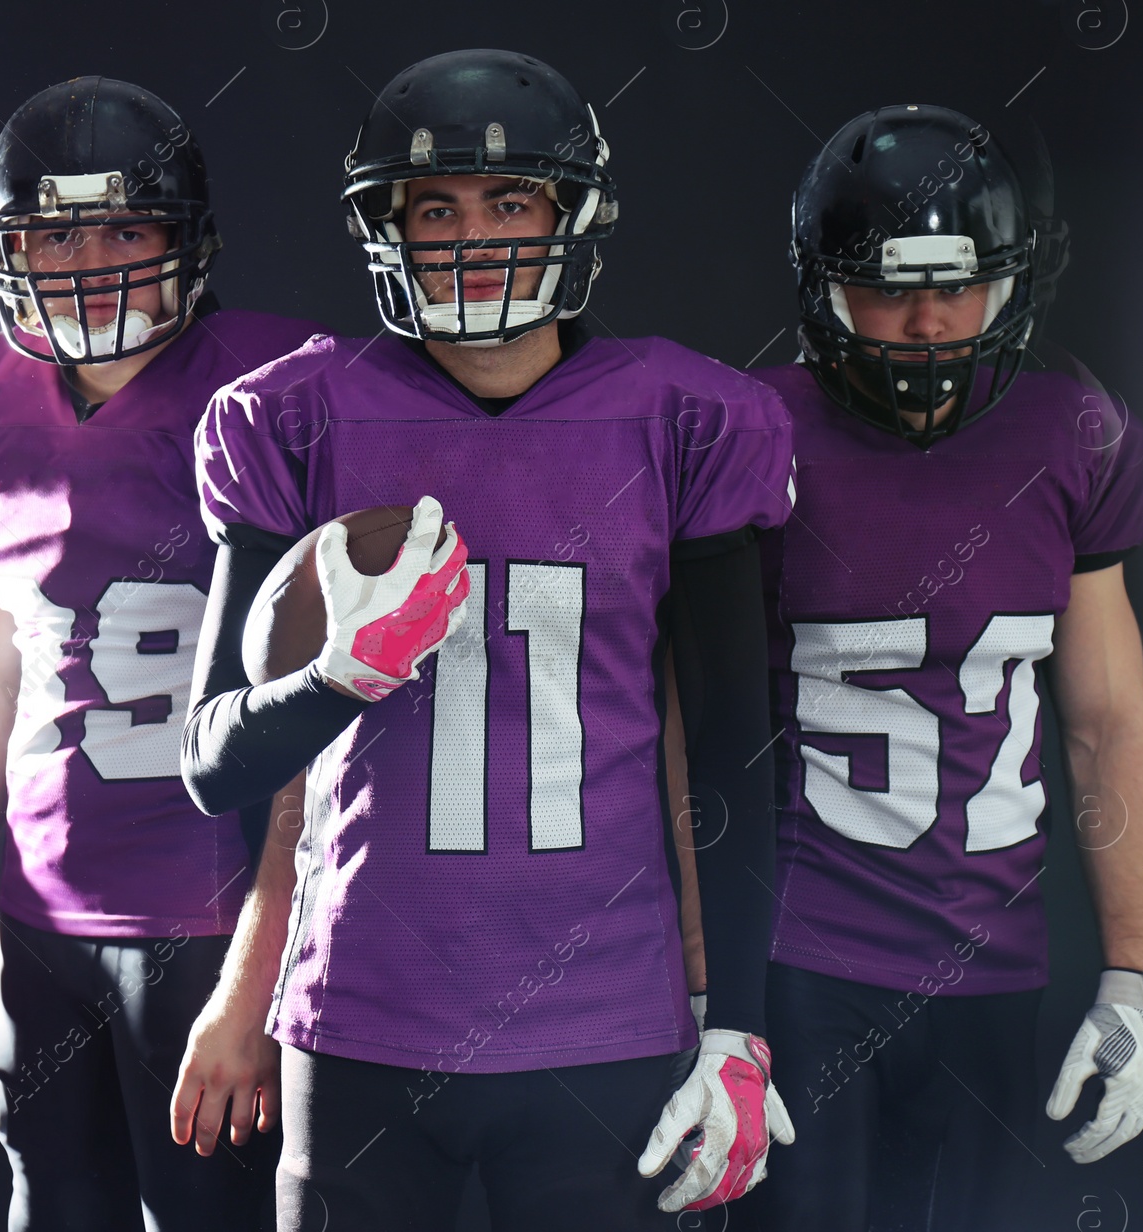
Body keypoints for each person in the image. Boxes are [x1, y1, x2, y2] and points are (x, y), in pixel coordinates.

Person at [169, 48, 797, 1232]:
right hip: (358, 1013)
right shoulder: (297, 415)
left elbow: (728, 756)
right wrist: (338, 675)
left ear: (570, 217)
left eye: (510, 201)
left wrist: (736, 1022)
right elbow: (213, 761)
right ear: (387, 229)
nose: (471, 236)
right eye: (434, 206)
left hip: (605, 1022)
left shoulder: (680, 419)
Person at [0, 76, 320, 1231]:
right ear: (7, 249)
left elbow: (321, 722)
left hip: (208, 911)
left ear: (185, 240)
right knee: (50, 1203)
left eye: (125, 228)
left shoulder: (284, 389)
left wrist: (260, 961)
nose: (89, 263)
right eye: (55, 232)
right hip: (40, 917)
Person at [738, 104, 1143, 1231]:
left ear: (1011, 281)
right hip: (800, 962)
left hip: (994, 964)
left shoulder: (1074, 437)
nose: (927, 321)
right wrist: (698, 992)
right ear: (824, 287)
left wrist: (1136, 977)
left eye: (957, 283)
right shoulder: (750, 434)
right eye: (888, 286)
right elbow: (682, 717)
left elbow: (1106, 721)